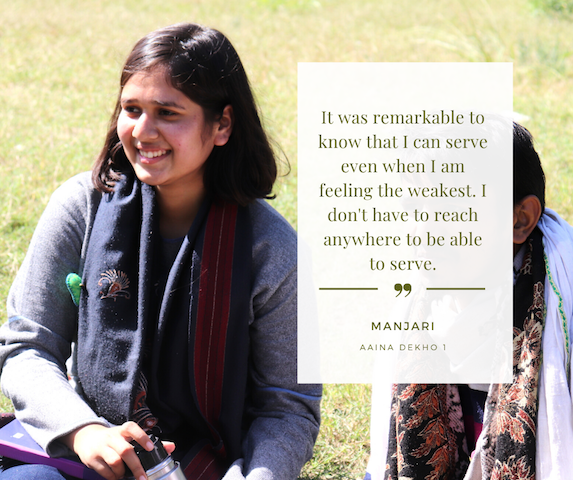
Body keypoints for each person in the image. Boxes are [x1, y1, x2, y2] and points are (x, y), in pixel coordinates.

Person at [0, 23, 321, 480]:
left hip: (208, 466)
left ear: (223, 124)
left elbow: (289, 408)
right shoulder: (80, 208)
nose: (143, 131)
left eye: (168, 113)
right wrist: (84, 431)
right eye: (131, 109)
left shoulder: (272, 251)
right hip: (88, 455)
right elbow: (27, 346)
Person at [365, 122, 573, 479]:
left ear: (520, 220)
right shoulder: (416, 309)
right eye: (413, 207)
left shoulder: (562, 305)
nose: (424, 230)